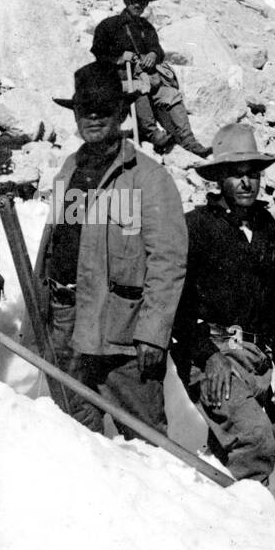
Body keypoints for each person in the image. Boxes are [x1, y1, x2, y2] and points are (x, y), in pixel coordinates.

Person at [32, 61, 188, 438]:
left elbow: (168, 261)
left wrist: (153, 334)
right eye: (87, 109)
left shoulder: (149, 178)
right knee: (73, 438)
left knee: (147, 443)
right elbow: (56, 244)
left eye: (105, 108)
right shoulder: (69, 169)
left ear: (122, 113)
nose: (95, 117)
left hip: (122, 337)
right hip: (66, 326)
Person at [172, 124, 275, 484]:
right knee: (257, 441)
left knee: (240, 447)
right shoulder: (195, 227)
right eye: (235, 174)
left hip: (256, 359)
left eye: (252, 174)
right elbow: (176, 303)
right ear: (218, 179)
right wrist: (209, 356)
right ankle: (244, 526)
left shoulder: (266, 225)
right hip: (212, 357)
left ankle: (226, 511)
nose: (246, 183)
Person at [90, 0, 211, 158]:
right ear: (125, 0)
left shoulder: (147, 27)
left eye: (141, 1)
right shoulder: (109, 26)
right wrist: (120, 58)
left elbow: (157, 49)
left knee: (171, 95)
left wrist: (153, 54)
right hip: (119, 82)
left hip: (147, 79)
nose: (137, 5)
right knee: (140, 89)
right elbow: (98, 54)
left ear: (146, 4)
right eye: (133, 0)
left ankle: (189, 141)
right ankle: (153, 134)